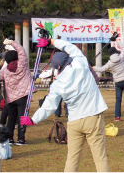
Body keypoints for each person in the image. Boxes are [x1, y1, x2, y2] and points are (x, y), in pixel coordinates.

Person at [20, 37, 109, 172]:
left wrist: (33, 119)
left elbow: (49, 105)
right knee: (100, 157)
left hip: (74, 121)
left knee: (72, 158)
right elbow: (71, 48)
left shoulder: (57, 84)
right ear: (68, 61)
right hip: (93, 116)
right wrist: (51, 41)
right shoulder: (80, 63)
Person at [0, 38, 37, 145]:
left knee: (11, 119)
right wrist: (11, 42)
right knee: (22, 118)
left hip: (11, 98)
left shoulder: (5, 71)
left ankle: (9, 139)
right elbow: (21, 50)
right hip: (23, 96)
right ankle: (21, 139)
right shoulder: (23, 63)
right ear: (17, 57)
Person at [93, 38, 124, 121]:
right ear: (116, 52)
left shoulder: (110, 62)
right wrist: (116, 40)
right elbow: (123, 48)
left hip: (118, 81)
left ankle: (117, 116)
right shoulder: (122, 56)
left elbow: (102, 69)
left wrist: (94, 68)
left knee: (118, 100)